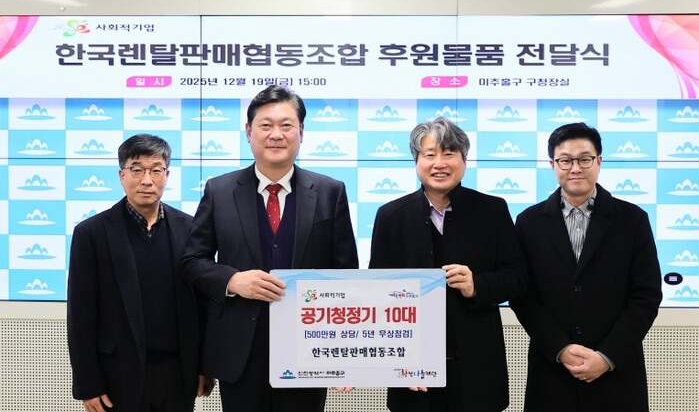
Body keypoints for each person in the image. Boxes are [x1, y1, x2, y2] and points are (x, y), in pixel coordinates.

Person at [181, 85, 359, 412]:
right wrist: (232, 281)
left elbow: (346, 274)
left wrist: (343, 353)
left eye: (286, 125)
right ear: (249, 131)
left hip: (310, 347)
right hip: (239, 350)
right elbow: (192, 260)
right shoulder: (219, 190)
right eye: (266, 125)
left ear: (301, 132)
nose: (276, 134)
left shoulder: (329, 191)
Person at [369, 117, 527, 412]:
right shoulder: (391, 216)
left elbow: (517, 277)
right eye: (430, 154)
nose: (439, 163)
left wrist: (477, 285)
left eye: (449, 153)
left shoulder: (492, 210)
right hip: (413, 370)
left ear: (464, 160)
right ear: (417, 161)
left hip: (478, 365)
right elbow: (378, 292)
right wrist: (399, 361)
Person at [510, 122, 662, 412]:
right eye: (565, 160)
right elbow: (523, 296)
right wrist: (561, 348)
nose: (575, 168)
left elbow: (646, 296)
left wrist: (606, 356)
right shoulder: (529, 222)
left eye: (585, 159)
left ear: (599, 161)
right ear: (552, 164)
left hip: (616, 374)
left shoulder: (632, 220)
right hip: (553, 372)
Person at [67, 134, 215, 412]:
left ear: (167, 175)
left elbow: (204, 306)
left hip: (178, 371)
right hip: (117, 374)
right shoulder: (91, 234)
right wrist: (88, 384)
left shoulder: (190, 229)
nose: (147, 180)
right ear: (121, 175)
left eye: (156, 170)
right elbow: (81, 315)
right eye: (137, 170)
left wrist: (205, 366)